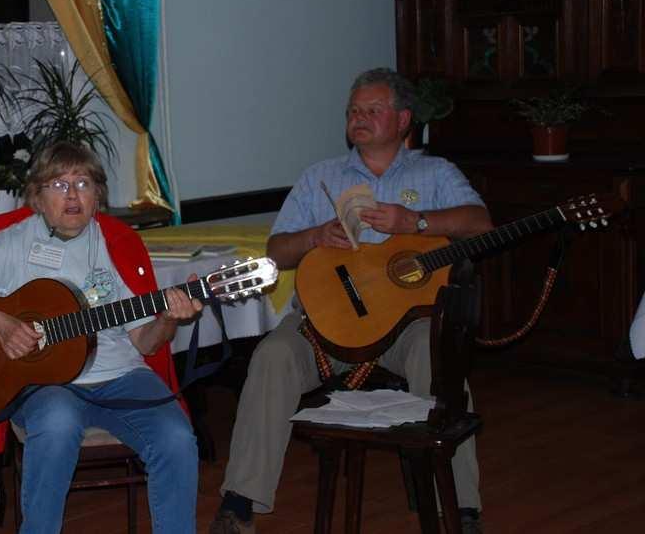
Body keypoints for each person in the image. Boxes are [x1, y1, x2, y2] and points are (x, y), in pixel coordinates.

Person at [209, 68, 493, 534]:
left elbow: (481, 225)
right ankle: (240, 503)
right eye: (353, 111)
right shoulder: (319, 176)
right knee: (273, 354)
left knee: (437, 352)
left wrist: (415, 222)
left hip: (407, 325)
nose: (359, 118)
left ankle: (460, 508)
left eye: (372, 110)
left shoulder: (435, 172)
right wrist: (314, 235)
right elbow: (276, 253)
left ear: (403, 119)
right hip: (327, 325)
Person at [0, 141, 203, 534]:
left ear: (98, 195)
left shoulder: (114, 244)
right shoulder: (10, 243)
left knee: (178, 437)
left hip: (120, 376)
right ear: (37, 197)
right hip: (43, 383)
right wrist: (1, 325)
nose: (73, 194)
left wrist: (167, 319)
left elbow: (145, 343)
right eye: (58, 185)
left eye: (83, 183)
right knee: (58, 421)